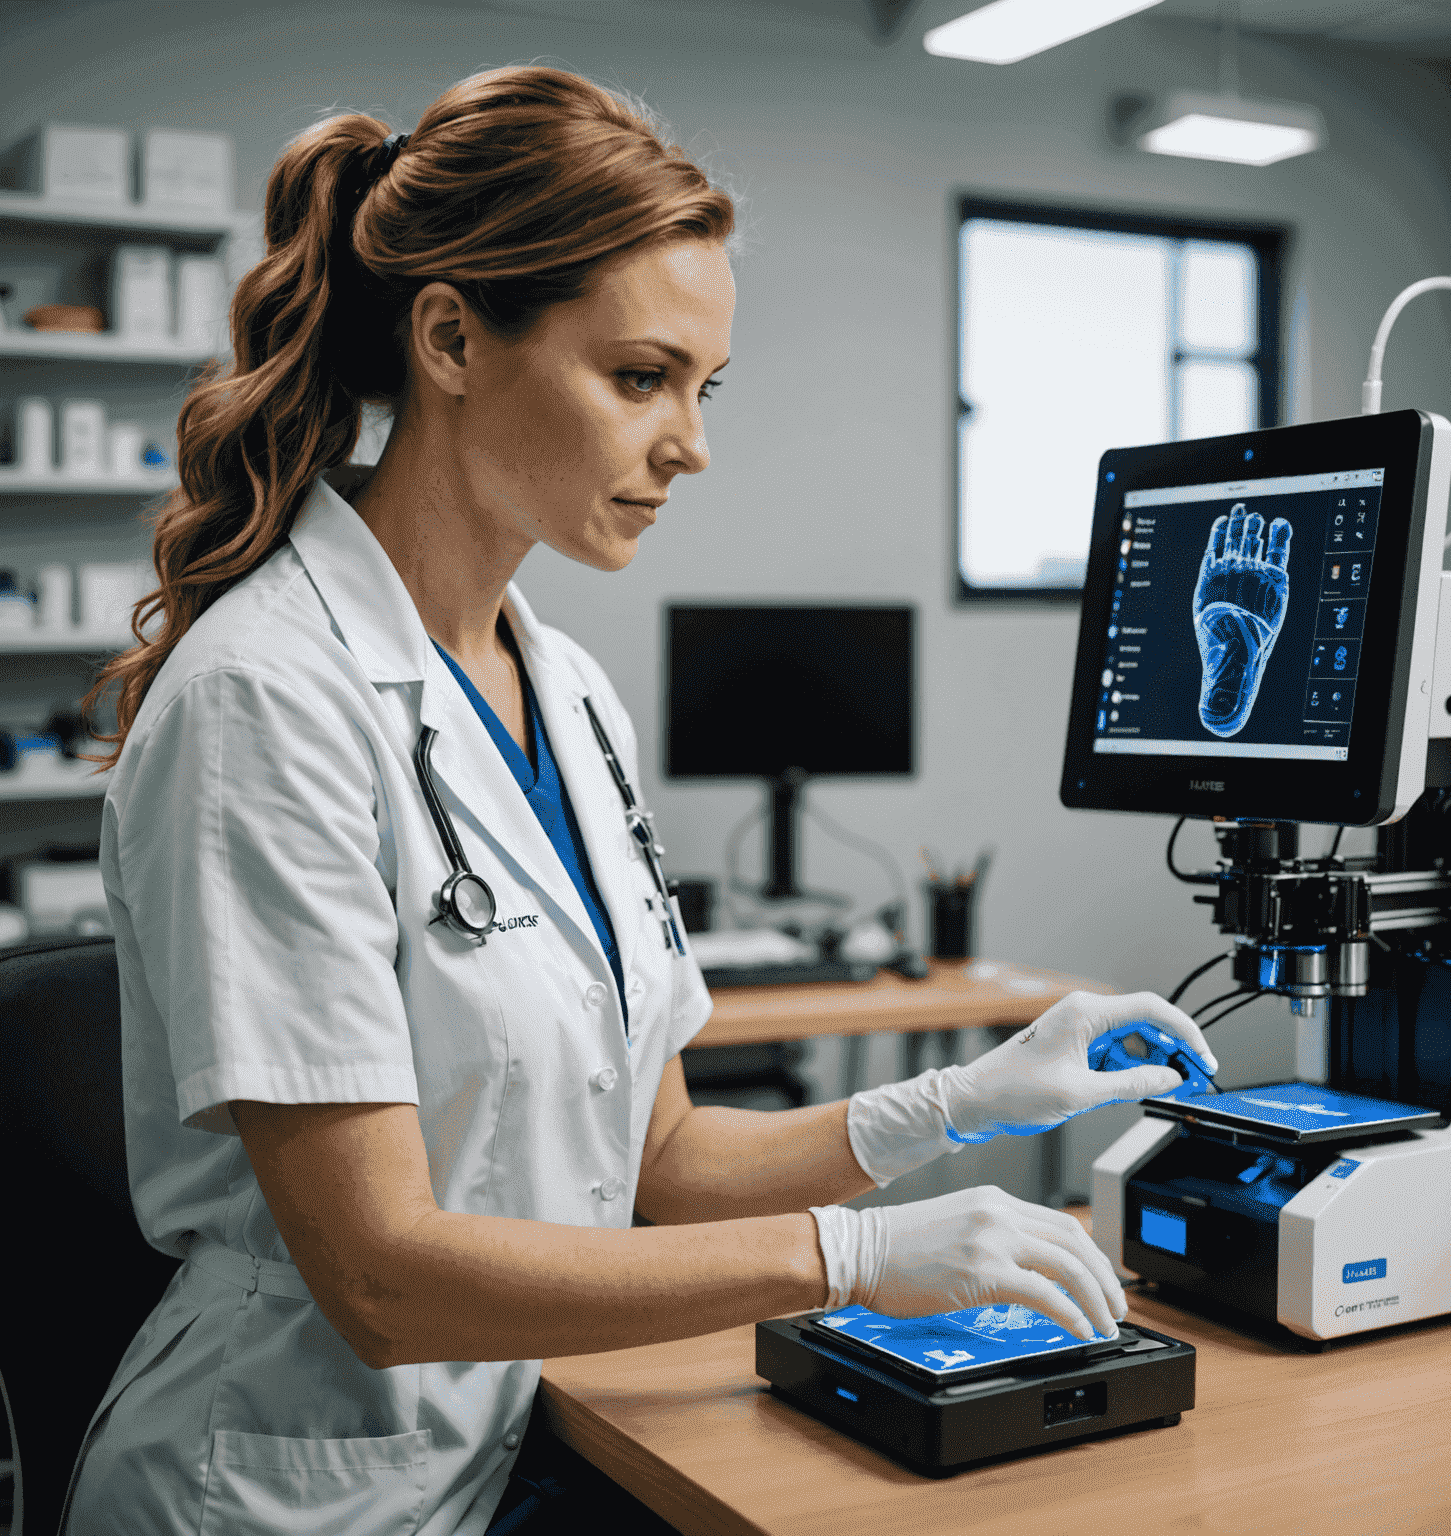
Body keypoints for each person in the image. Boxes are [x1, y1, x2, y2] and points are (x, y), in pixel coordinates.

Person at [63, 63, 1218, 1535]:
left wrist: (962, 1102)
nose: (692, 443)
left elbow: (661, 1159)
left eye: (703, 386)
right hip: (290, 1489)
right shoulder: (265, 700)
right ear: (450, 339)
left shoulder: (574, 698)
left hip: (517, 1439)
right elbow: (380, 1275)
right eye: (639, 378)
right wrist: (852, 1260)